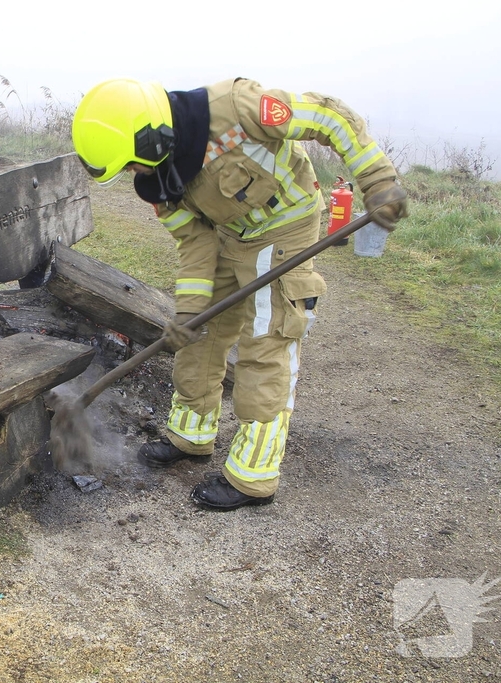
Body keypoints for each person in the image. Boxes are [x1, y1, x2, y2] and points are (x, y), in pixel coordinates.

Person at [72, 77, 408, 511]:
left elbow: (330, 116)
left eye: (131, 165)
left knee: (266, 343)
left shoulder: (240, 108)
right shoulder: (161, 186)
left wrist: (377, 179)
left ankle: (254, 476)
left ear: (153, 138)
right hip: (230, 233)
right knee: (201, 335)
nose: (132, 176)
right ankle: (191, 436)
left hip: (286, 224)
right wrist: (189, 313)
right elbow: (195, 244)